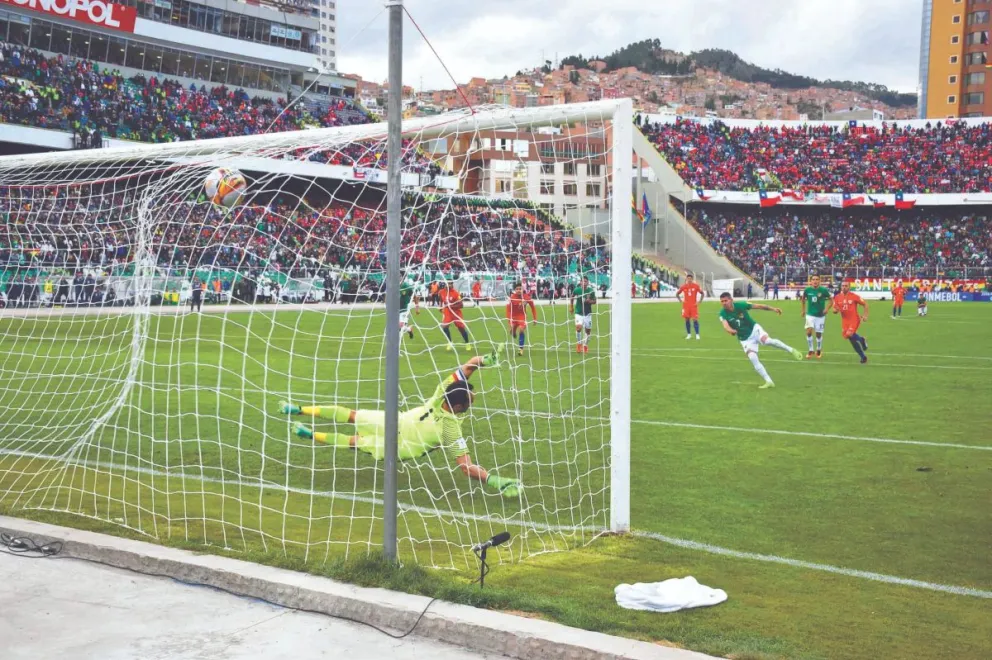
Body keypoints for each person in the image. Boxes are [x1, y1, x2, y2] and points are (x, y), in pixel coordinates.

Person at [280, 347, 522, 498]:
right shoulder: (451, 428)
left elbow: (467, 366)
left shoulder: (441, 393)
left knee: (354, 431)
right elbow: (466, 467)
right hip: (401, 441)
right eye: (471, 400)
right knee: (353, 427)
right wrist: (494, 480)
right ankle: (300, 413)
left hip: (398, 434)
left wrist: (484, 360)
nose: (473, 399)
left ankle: (305, 426)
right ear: (458, 407)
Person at [718, 292, 803, 389]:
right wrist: (731, 330)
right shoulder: (722, 313)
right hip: (745, 339)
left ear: (731, 300)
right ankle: (769, 382)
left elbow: (759, 306)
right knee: (753, 358)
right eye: (722, 301)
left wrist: (773, 309)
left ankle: (791, 350)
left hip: (754, 329)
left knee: (767, 341)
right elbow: (725, 326)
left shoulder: (741, 305)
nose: (724, 303)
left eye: (726, 300)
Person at [832, 281, 869, 364]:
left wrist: (865, 315)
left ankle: (862, 340)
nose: (844, 287)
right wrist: (835, 310)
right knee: (851, 339)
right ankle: (863, 357)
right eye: (843, 286)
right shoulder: (837, 297)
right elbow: (834, 309)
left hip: (854, 319)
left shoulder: (854, 296)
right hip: (845, 321)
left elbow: (865, 304)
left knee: (849, 334)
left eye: (846, 286)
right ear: (840, 287)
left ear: (849, 287)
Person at [800, 275, 832, 359]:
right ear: (810, 281)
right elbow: (803, 299)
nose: (815, 281)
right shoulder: (807, 290)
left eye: (817, 279)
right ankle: (811, 350)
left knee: (818, 334)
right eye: (813, 279)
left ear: (819, 281)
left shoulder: (823, 290)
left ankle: (818, 349)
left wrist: (827, 308)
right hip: (810, 315)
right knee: (809, 331)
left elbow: (831, 300)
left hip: (820, 316)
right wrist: (803, 310)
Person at [506, 281, 538, 356]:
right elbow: (508, 310)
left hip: (522, 317)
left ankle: (521, 349)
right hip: (513, 317)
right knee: (513, 330)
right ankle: (513, 331)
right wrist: (509, 321)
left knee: (521, 329)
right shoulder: (512, 298)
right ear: (515, 290)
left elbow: (533, 307)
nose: (518, 290)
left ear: (522, 289)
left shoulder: (526, 297)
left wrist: (535, 318)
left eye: (520, 289)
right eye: (517, 289)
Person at [438, 281, 471, 350]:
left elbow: (461, 305)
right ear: (445, 285)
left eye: (451, 283)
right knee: (444, 327)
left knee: (461, 328)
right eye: (448, 283)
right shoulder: (441, 292)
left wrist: (451, 306)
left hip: (456, 313)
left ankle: (467, 343)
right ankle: (450, 342)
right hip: (447, 312)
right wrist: (440, 306)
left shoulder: (456, 293)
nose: (450, 285)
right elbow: (440, 299)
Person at [570, 275, 597, 354]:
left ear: (588, 282)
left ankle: (585, 345)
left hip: (587, 313)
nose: (584, 283)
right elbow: (572, 297)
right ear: (580, 282)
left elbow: (595, 301)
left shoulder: (591, 291)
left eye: (585, 281)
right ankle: (579, 344)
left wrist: (589, 301)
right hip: (578, 312)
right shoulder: (577, 290)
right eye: (583, 281)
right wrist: (571, 307)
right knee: (578, 328)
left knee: (588, 331)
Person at [676, 274, 704, 340]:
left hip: (693, 306)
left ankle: (697, 334)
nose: (689, 280)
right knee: (687, 320)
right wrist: (680, 300)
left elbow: (702, 293)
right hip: (686, 306)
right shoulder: (683, 287)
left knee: (695, 319)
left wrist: (699, 301)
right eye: (688, 278)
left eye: (690, 279)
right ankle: (689, 334)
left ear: (692, 279)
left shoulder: (696, 286)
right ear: (686, 279)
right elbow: (677, 294)